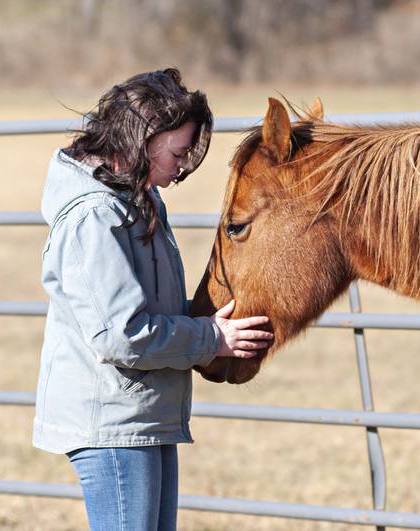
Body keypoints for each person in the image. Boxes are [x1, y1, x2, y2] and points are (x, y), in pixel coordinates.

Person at [32, 68, 272, 530]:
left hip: (141, 413)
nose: (181, 166)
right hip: (114, 421)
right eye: (178, 152)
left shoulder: (137, 198)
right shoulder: (94, 216)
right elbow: (121, 335)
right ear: (144, 138)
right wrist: (210, 337)